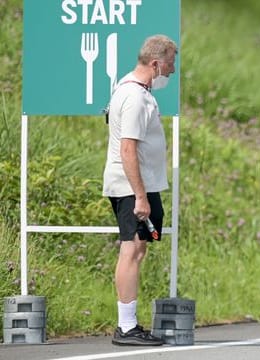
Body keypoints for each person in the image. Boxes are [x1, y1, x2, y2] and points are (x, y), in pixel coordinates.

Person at [102, 34, 178, 346]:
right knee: (130, 249)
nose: (172, 71)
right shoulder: (133, 96)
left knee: (140, 247)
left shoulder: (137, 90)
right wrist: (141, 197)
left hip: (143, 184)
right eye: (171, 63)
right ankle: (126, 327)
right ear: (156, 63)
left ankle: (129, 322)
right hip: (132, 186)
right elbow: (128, 149)